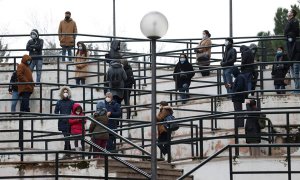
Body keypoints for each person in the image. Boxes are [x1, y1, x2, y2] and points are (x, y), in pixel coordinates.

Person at [54, 86, 75, 153]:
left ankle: (67, 149)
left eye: (66, 92)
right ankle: (67, 148)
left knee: (67, 135)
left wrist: (72, 117)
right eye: (64, 92)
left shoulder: (72, 102)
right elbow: (56, 111)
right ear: (62, 93)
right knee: (65, 135)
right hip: (62, 121)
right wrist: (60, 117)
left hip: (70, 121)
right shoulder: (59, 102)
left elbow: (74, 111)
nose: (65, 93)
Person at [284, 9, 300, 94]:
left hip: (295, 57)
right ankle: (297, 89)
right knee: (294, 74)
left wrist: (290, 36)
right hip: (292, 58)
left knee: (296, 74)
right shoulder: (290, 21)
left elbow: (294, 32)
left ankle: (297, 89)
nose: (288, 13)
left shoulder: (294, 21)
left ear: (293, 14)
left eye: (290, 12)